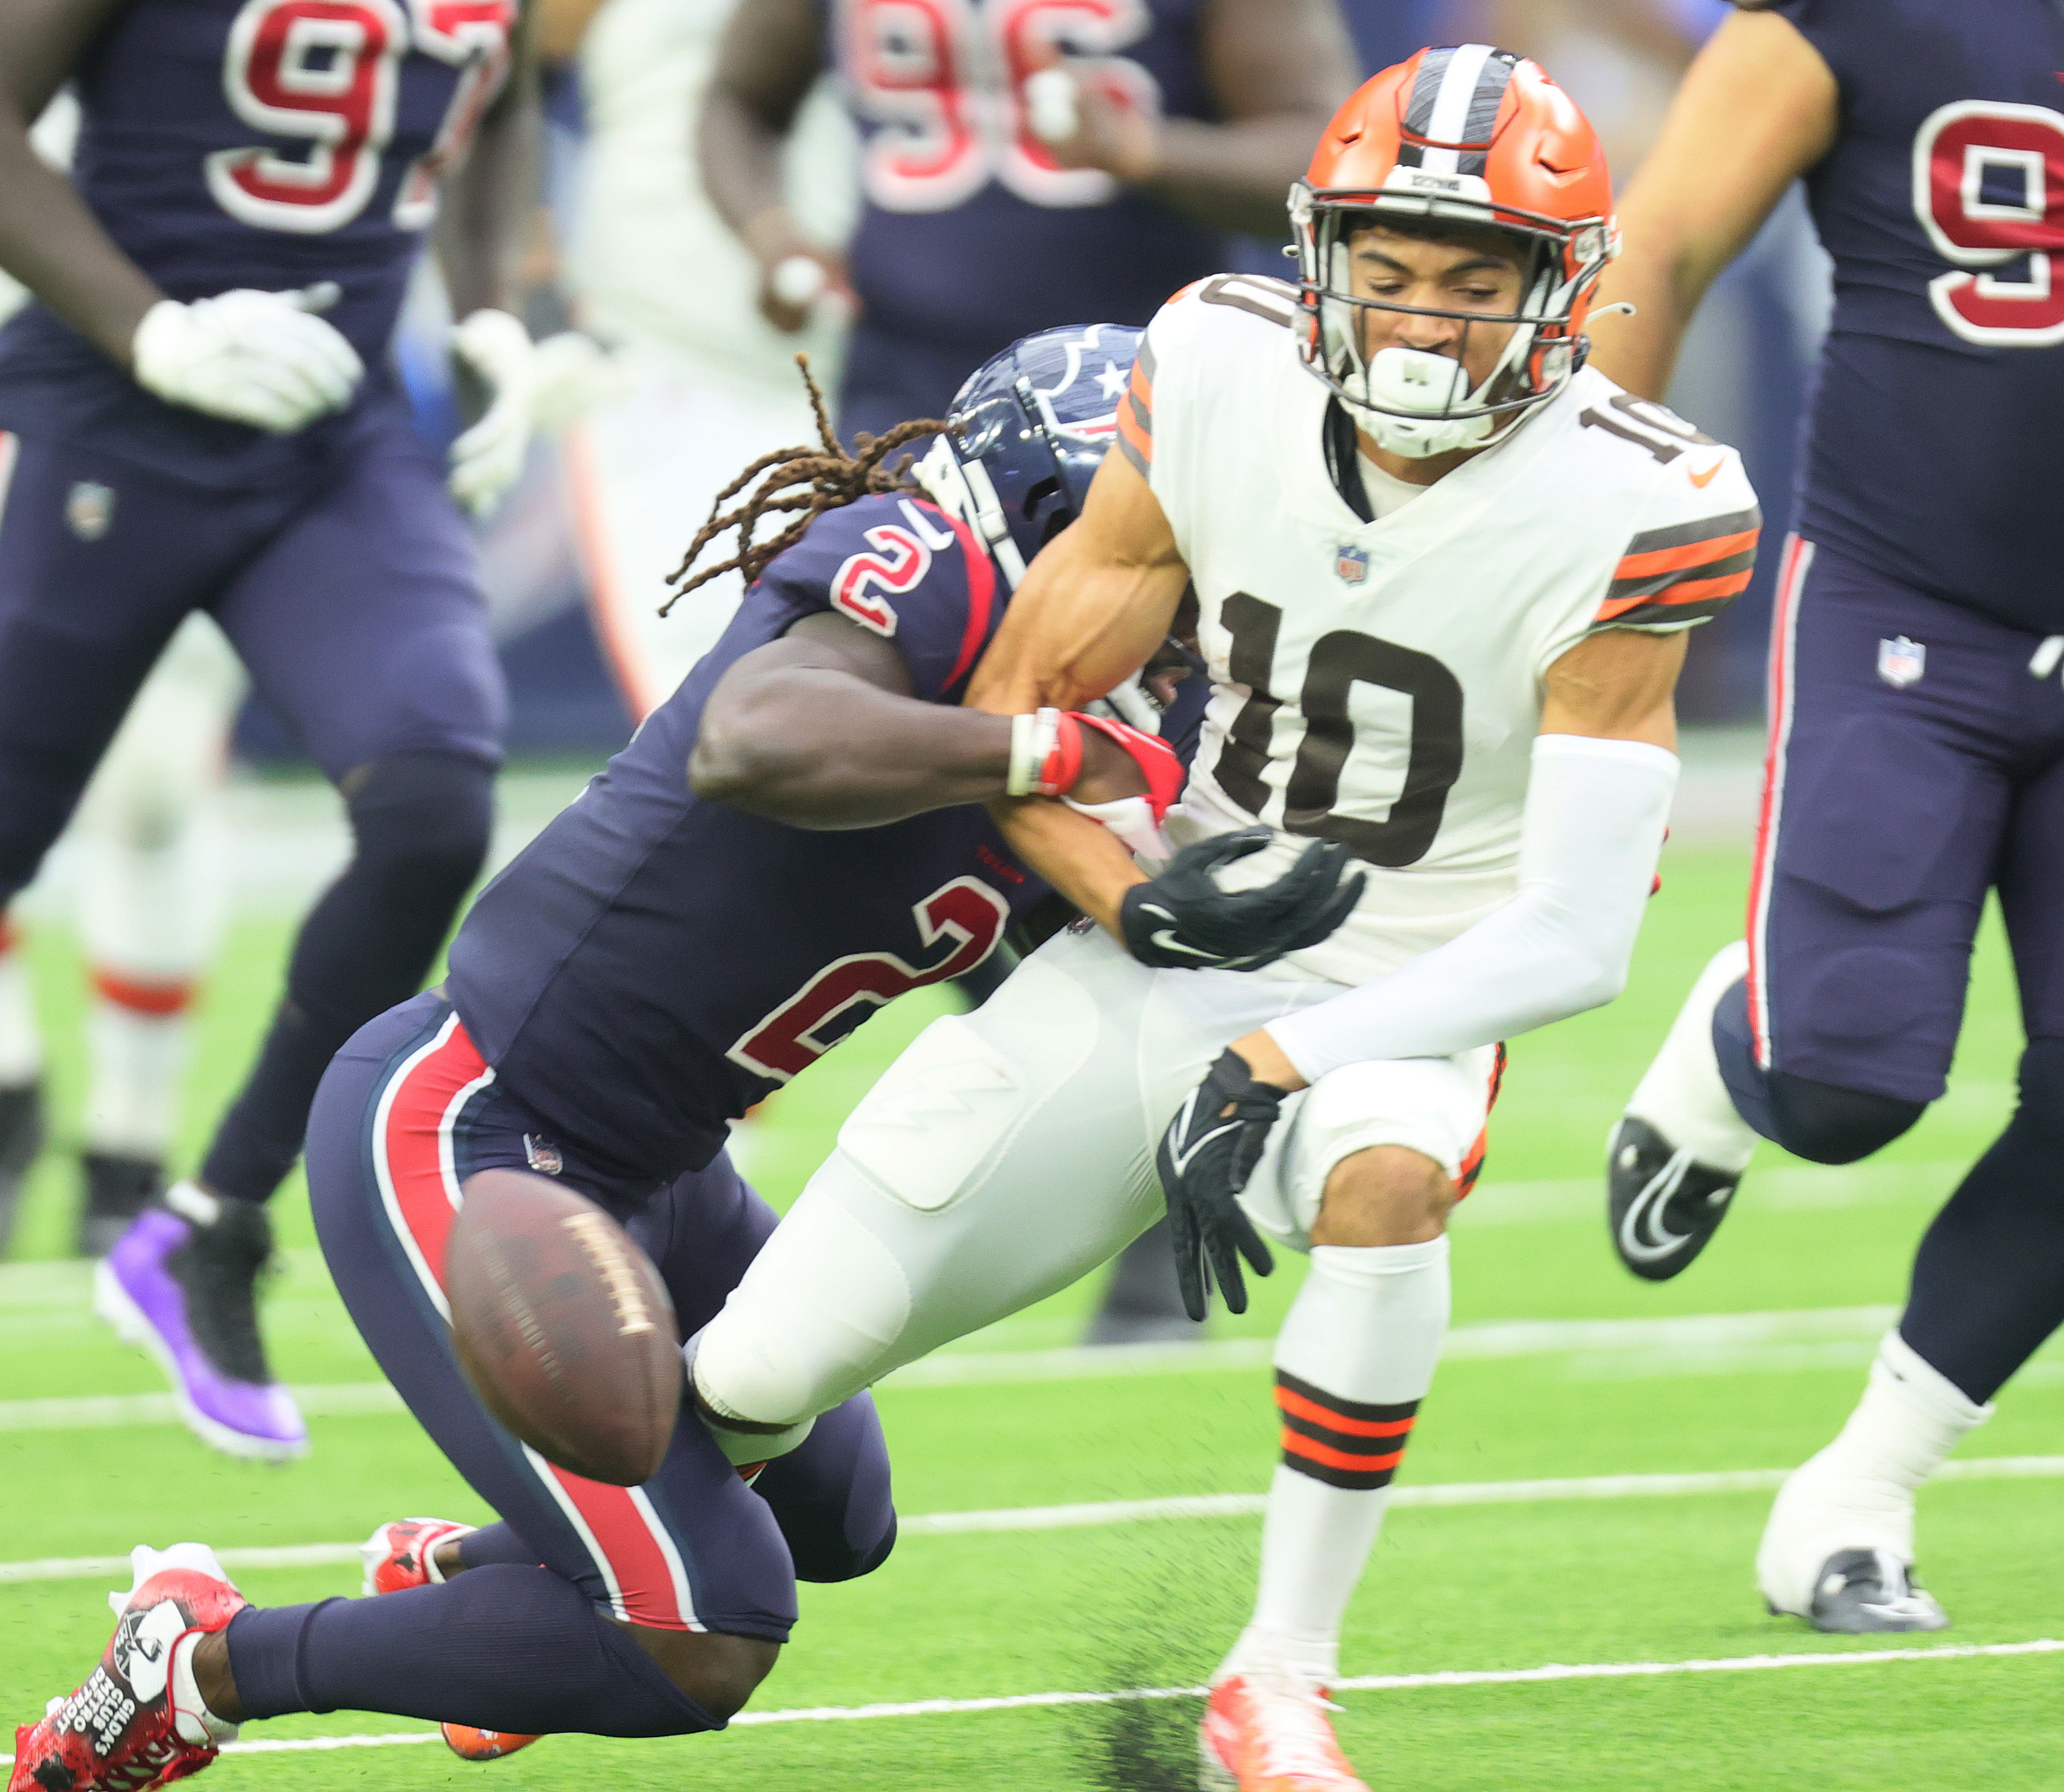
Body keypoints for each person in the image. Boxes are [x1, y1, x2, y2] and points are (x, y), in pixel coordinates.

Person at [5, 328, 1358, 1791]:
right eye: (1140, 543)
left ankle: (460, 1579)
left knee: (843, 1516)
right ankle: (199, 1658)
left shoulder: (1071, 709)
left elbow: (1063, 992)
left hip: (657, 1163)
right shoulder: (924, 562)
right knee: (704, 1628)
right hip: (472, 1125)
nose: (1166, 609)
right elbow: (757, 736)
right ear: (1041, 512)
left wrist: (1239, 1028)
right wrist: (1048, 750)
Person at [688, 47, 1759, 1792]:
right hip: (1177, 933)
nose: (1416, 324)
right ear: (1317, 255)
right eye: (1386, 272)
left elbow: (1572, 938)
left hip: (1421, 969)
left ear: (1557, 296)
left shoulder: (1645, 498)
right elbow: (1023, 718)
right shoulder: (1210, 365)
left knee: (1382, 1173)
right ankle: (547, 1571)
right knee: (759, 1362)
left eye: (1470, 283)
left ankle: (1275, 1675)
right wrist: (1154, 909)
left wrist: (1277, 1053)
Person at [0, 0, 558, 1457]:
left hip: (333, 435)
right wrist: (150, 327)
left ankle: (210, 1224)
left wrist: (490, 302)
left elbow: (496, 99)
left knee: (433, 799)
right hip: (110, 415)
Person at [1594, 0, 2064, 1634]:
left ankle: (1858, 1490)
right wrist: (1596, 547)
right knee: (1847, 1081)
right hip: (1904, 605)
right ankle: (1746, 1031)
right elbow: (1662, 231)